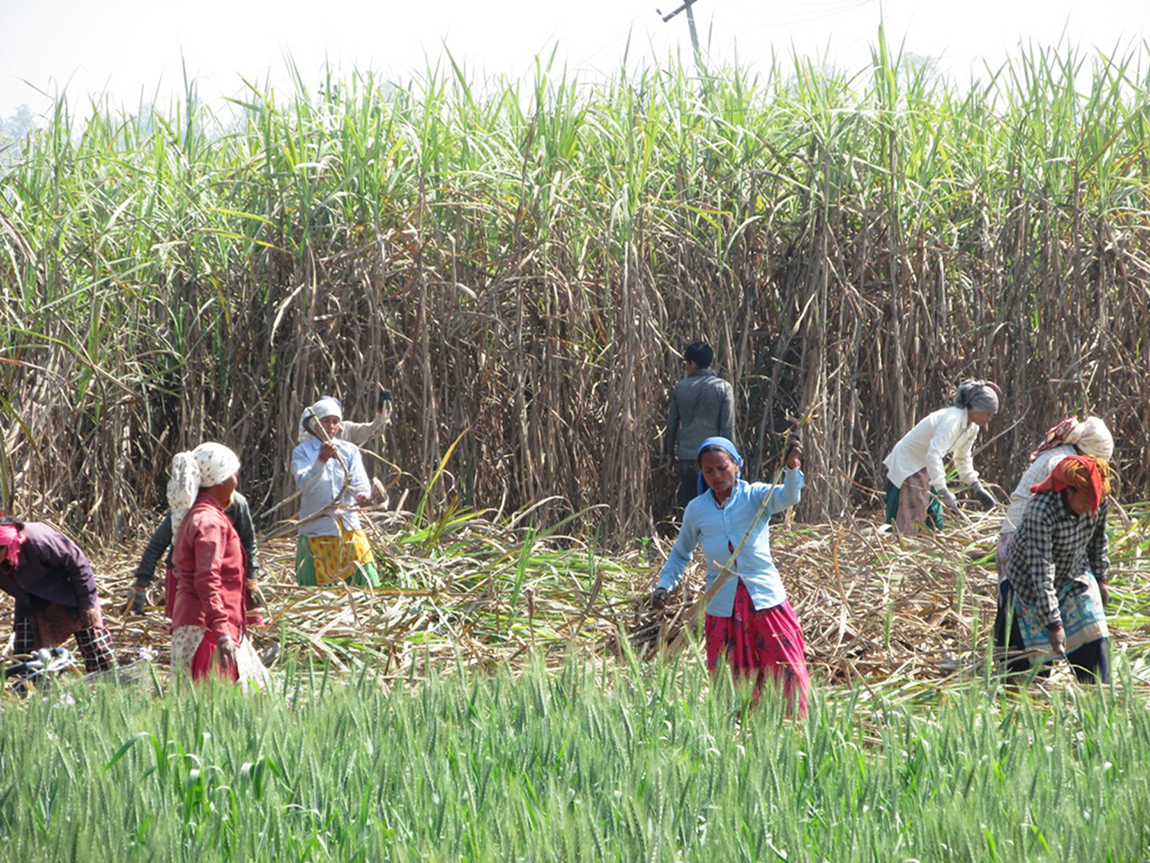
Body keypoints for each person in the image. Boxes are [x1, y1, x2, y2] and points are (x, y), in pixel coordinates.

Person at [651, 434, 810, 713]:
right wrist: (664, 586)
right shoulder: (697, 510)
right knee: (731, 681)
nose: (716, 475)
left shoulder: (756, 496)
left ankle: (794, 727)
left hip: (764, 598)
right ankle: (740, 737)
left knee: (787, 672)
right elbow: (680, 553)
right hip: (722, 607)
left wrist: (792, 467)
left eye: (722, 467)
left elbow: (789, 496)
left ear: (737, 465)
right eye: (708, 470)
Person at [998, 454, 1113, 683]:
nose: (1089, 509)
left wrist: (1101, 579)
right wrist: (1054, 623)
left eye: (1095, 503)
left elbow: (1099, 541)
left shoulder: (1096, 501)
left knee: (1095, 643)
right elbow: (1041, 571)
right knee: (1027, 675)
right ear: (1067, 491)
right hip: (1029, 588)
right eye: (1084, 501)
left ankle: (1099, 698)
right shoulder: (1041, 511)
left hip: (1074, 578)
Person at [168, 443, 270, 688]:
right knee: (210, 708)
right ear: (218, 481)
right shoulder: (210, 521)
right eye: (233, 475)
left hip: (204, 624)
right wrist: (222, 630)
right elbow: (207, 579)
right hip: (207, 630)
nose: (236, 481)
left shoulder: (201, 515)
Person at [123, 492, 264, 625]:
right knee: (182, 624)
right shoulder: (186, 503)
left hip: (223, 574)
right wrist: (140, 583)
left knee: (240, 622)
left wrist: (252, 580)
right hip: (182, 576)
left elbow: (248, 542)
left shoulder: (236, 502)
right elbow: (158, 544)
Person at [882, 379, 1002, 533]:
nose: (989, 419)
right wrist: (943, 490)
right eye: (988, 414)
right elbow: (934, 455)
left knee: (935, 517)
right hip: (909, 465)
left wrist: (977, 488)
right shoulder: (952, 420)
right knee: (911, 519)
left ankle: (930, 550)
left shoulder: (972, 428)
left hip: (926, 467)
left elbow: (962, 458)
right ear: (977, 409)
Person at [0, 515, 116, 673]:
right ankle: (32, 693)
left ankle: (109, 686)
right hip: (31, 598)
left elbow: (79, 564)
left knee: (95, 644)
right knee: (26, 655)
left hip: (69, 591)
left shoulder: (39, 541)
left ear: (8, 543)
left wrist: (87, 603)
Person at [291, 397, 380, 587]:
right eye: (325, 421)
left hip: (348, 525)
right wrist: (321, 460)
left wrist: (363, 495)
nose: (331, 426)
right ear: (314, 424)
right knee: (316, 587)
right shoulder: (303, 452)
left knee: (365, 579)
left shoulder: (349, 450)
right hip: (317, 528)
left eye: (335, 421)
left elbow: (359, 482)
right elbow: (304, 484)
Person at [664, 342, 737, 509]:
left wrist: (669, 455)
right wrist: (732, 458)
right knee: (715, 507)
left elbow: (672, 425)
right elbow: (727, 428)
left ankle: (691, 535)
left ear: (692, 363)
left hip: (686, 458)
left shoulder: (679, 388)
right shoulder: (723, 388)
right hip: (713, 461)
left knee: (692, 507)